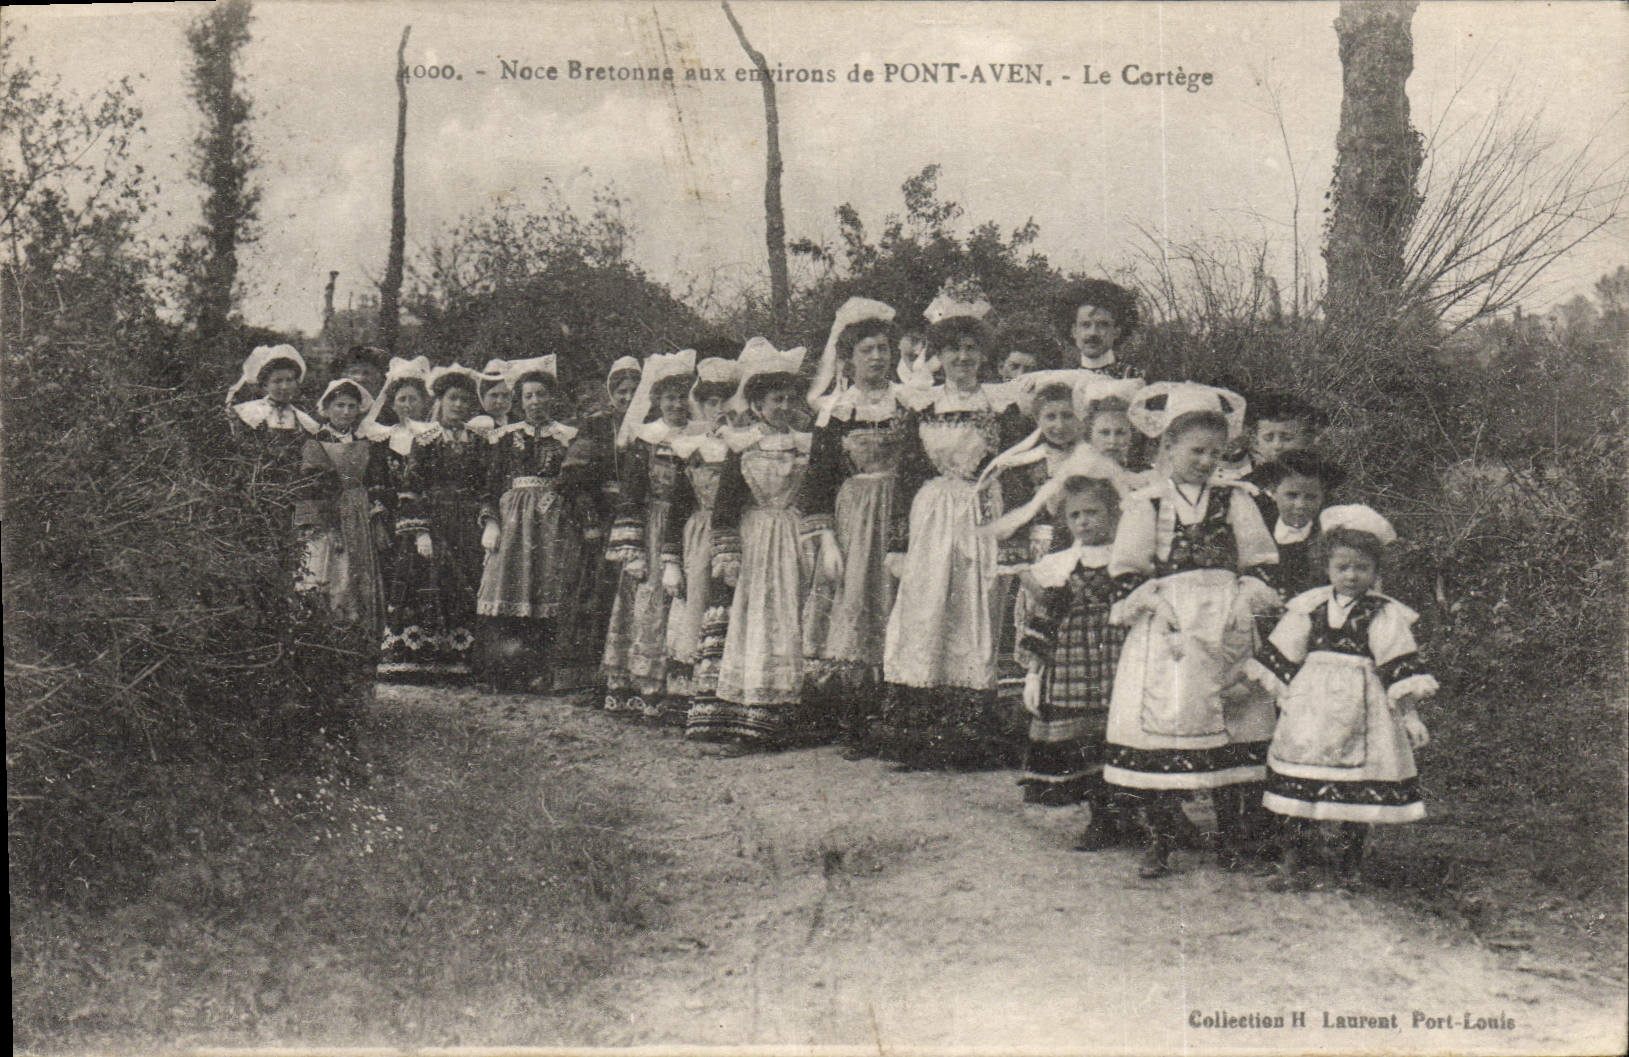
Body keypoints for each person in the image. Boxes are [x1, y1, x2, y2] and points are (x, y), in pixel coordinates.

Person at [1104, 382, 1281, 879]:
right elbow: (1127, 568)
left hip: (1226, 620)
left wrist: (1246, 594)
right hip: (1171, 627)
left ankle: (1230, 839)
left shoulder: (1236, 499)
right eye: (1195, 450)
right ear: (1167, 449)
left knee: (1234, 722)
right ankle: (1161, 839)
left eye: (1214, 452)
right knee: (1168, 725)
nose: (1205, 461)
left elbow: (1261, 559)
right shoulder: (1149, 502)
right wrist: (1151, 599)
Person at [875, 290, 1030, 770]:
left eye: (971, 349)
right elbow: (906, 475)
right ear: (938, 356)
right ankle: (917, 736)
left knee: (977, 610)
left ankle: (971, 737)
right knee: (924, 612)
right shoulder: (921, 404)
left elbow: (1020, 469)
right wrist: (899, 543)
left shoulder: (1003, 404)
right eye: (953, 349)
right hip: (933, 513)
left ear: (984, 356)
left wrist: (1017, 535)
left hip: (984, 512)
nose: (963, 358)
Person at [1246, 505, 1436, 890]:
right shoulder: (1310, 606)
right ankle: (1293, 862)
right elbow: (1283, 654)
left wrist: (1411, 715)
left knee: (1358, 791)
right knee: (1300, 785)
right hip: (1311, 710)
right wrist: (1269, 692)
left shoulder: (1383, 614)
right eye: (1343, 567)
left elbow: (1398, 668)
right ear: (1327, 567)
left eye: (1362, 568)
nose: (1351, 575)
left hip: (1362, 710)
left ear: (1376, 571)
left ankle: (1350, 865)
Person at [798, 298, 910, 754]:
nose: (878, 358)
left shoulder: (908, 402)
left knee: (896, 601)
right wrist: (826, 540)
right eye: (868, 350)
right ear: (849, 359)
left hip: (899, 511)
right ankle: (851, 717)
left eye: (884, 348)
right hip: (853, 515)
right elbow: (819, 480)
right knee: (854, 600)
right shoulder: (836, 409)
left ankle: (895, 710)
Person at [700, 339, 813, 752]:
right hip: (756, 538)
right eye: (775, 399)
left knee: (793, 615)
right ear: (757, 404)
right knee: (755, 619)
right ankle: (748, 711)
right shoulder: (742, 444)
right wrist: (727, 554)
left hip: (793, 535)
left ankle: (790, 713)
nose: (783, 406)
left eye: (788, 399)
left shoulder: (805, 443)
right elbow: (725, 506)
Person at [1012, 458, 1134, 834]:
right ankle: (1101, 818)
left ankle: (1133, 816)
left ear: (1113, 513)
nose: (1084, 521)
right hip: (1071, 667)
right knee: (1084, 744)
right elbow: (1042, 623)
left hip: (1119, 664)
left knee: (1121, 742)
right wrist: (1034, 674)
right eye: (1075, 514)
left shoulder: (1128, 562)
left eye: (1093, 512)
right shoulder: (1058, 566)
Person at [475, 356, 604, 691]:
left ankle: (543, 672)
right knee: (509, 589)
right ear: (520, 401)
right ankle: (505, 671)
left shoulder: (567, 436)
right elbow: (489, 487)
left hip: (554, 522)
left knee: (549, 591)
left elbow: (578, 484)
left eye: (541, 395)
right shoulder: (503, 437)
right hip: (513, 522)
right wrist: (491, 524)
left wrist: (585, 521)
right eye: (529, 396)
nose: (535, 402)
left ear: (552, 398)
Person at [379, 364, 495, 682]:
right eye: (453, 399)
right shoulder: (426, 442)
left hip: (467, 524)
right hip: (433, 522)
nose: (459, 406)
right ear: (440, 401)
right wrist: (419, 532)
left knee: (464, 583)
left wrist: (488, 522)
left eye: (466, 401)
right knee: (428, 582)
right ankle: (419, 660)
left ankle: (462, 660)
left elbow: (487, 486)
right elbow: (411, 488)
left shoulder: (480, 442)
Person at [601, 350, 697, 721]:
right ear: (656, 401)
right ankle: (645, 688)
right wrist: (634, 549)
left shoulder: (702, 436)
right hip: (653, 529)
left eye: (683, 396)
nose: (677, 404)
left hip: (689, 530)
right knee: (648, 604)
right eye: (669, 397)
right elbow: (631, 495)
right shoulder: (646, 438)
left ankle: (682, 690)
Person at [554, 356, 644, 695]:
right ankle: (582, 673)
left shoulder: (651, 424)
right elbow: (572, 477)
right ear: (611, 392)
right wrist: (589, 517)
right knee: (592, 588)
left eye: (634, 390)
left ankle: (626, 672)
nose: (627, 397)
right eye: (621, 391)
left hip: (637, 518)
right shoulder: (597, 425)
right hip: (601, 519)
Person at [666, 357, 741, 733]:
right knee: (700, 606)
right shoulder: (692, 447)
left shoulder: (747, 444)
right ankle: (695, 698)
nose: (721, 409)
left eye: (728, 400)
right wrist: (670, 560)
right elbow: (677, 505)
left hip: (744, 535)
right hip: (699, 535)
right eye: (712, 402)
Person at [294, 377, 391, 634]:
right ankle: (324, 638)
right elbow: (312, 488)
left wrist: (377, 521)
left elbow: (375, 482)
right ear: (327, 409)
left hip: (359, 515)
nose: (346, 412)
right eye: (339, 406)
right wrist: (330, 528)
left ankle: (359, 639)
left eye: (351, 406)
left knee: (358, 575)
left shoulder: (364, 441)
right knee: (329, 575)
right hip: (329, 519)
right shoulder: (315, 442)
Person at [1256, 449, 1347, 599]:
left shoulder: (1327, 535)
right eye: (1292, 495)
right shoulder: (1259, 528)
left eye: (1311, 497)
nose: (1300, 505)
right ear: (1273, 491)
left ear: (1322, 497)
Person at [1053, 279, 1141, 377]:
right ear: (1074, 331)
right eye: (1085, 325)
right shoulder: (1065, 379)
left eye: (1103, 325)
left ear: (1116, 332)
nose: (1093, 333)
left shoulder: (1132, 377)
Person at [466, 357, 513, 434]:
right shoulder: (480, 424)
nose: (500, 401)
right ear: (482, 396)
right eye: (494, 395)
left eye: (505, 395)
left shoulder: (514, 422)